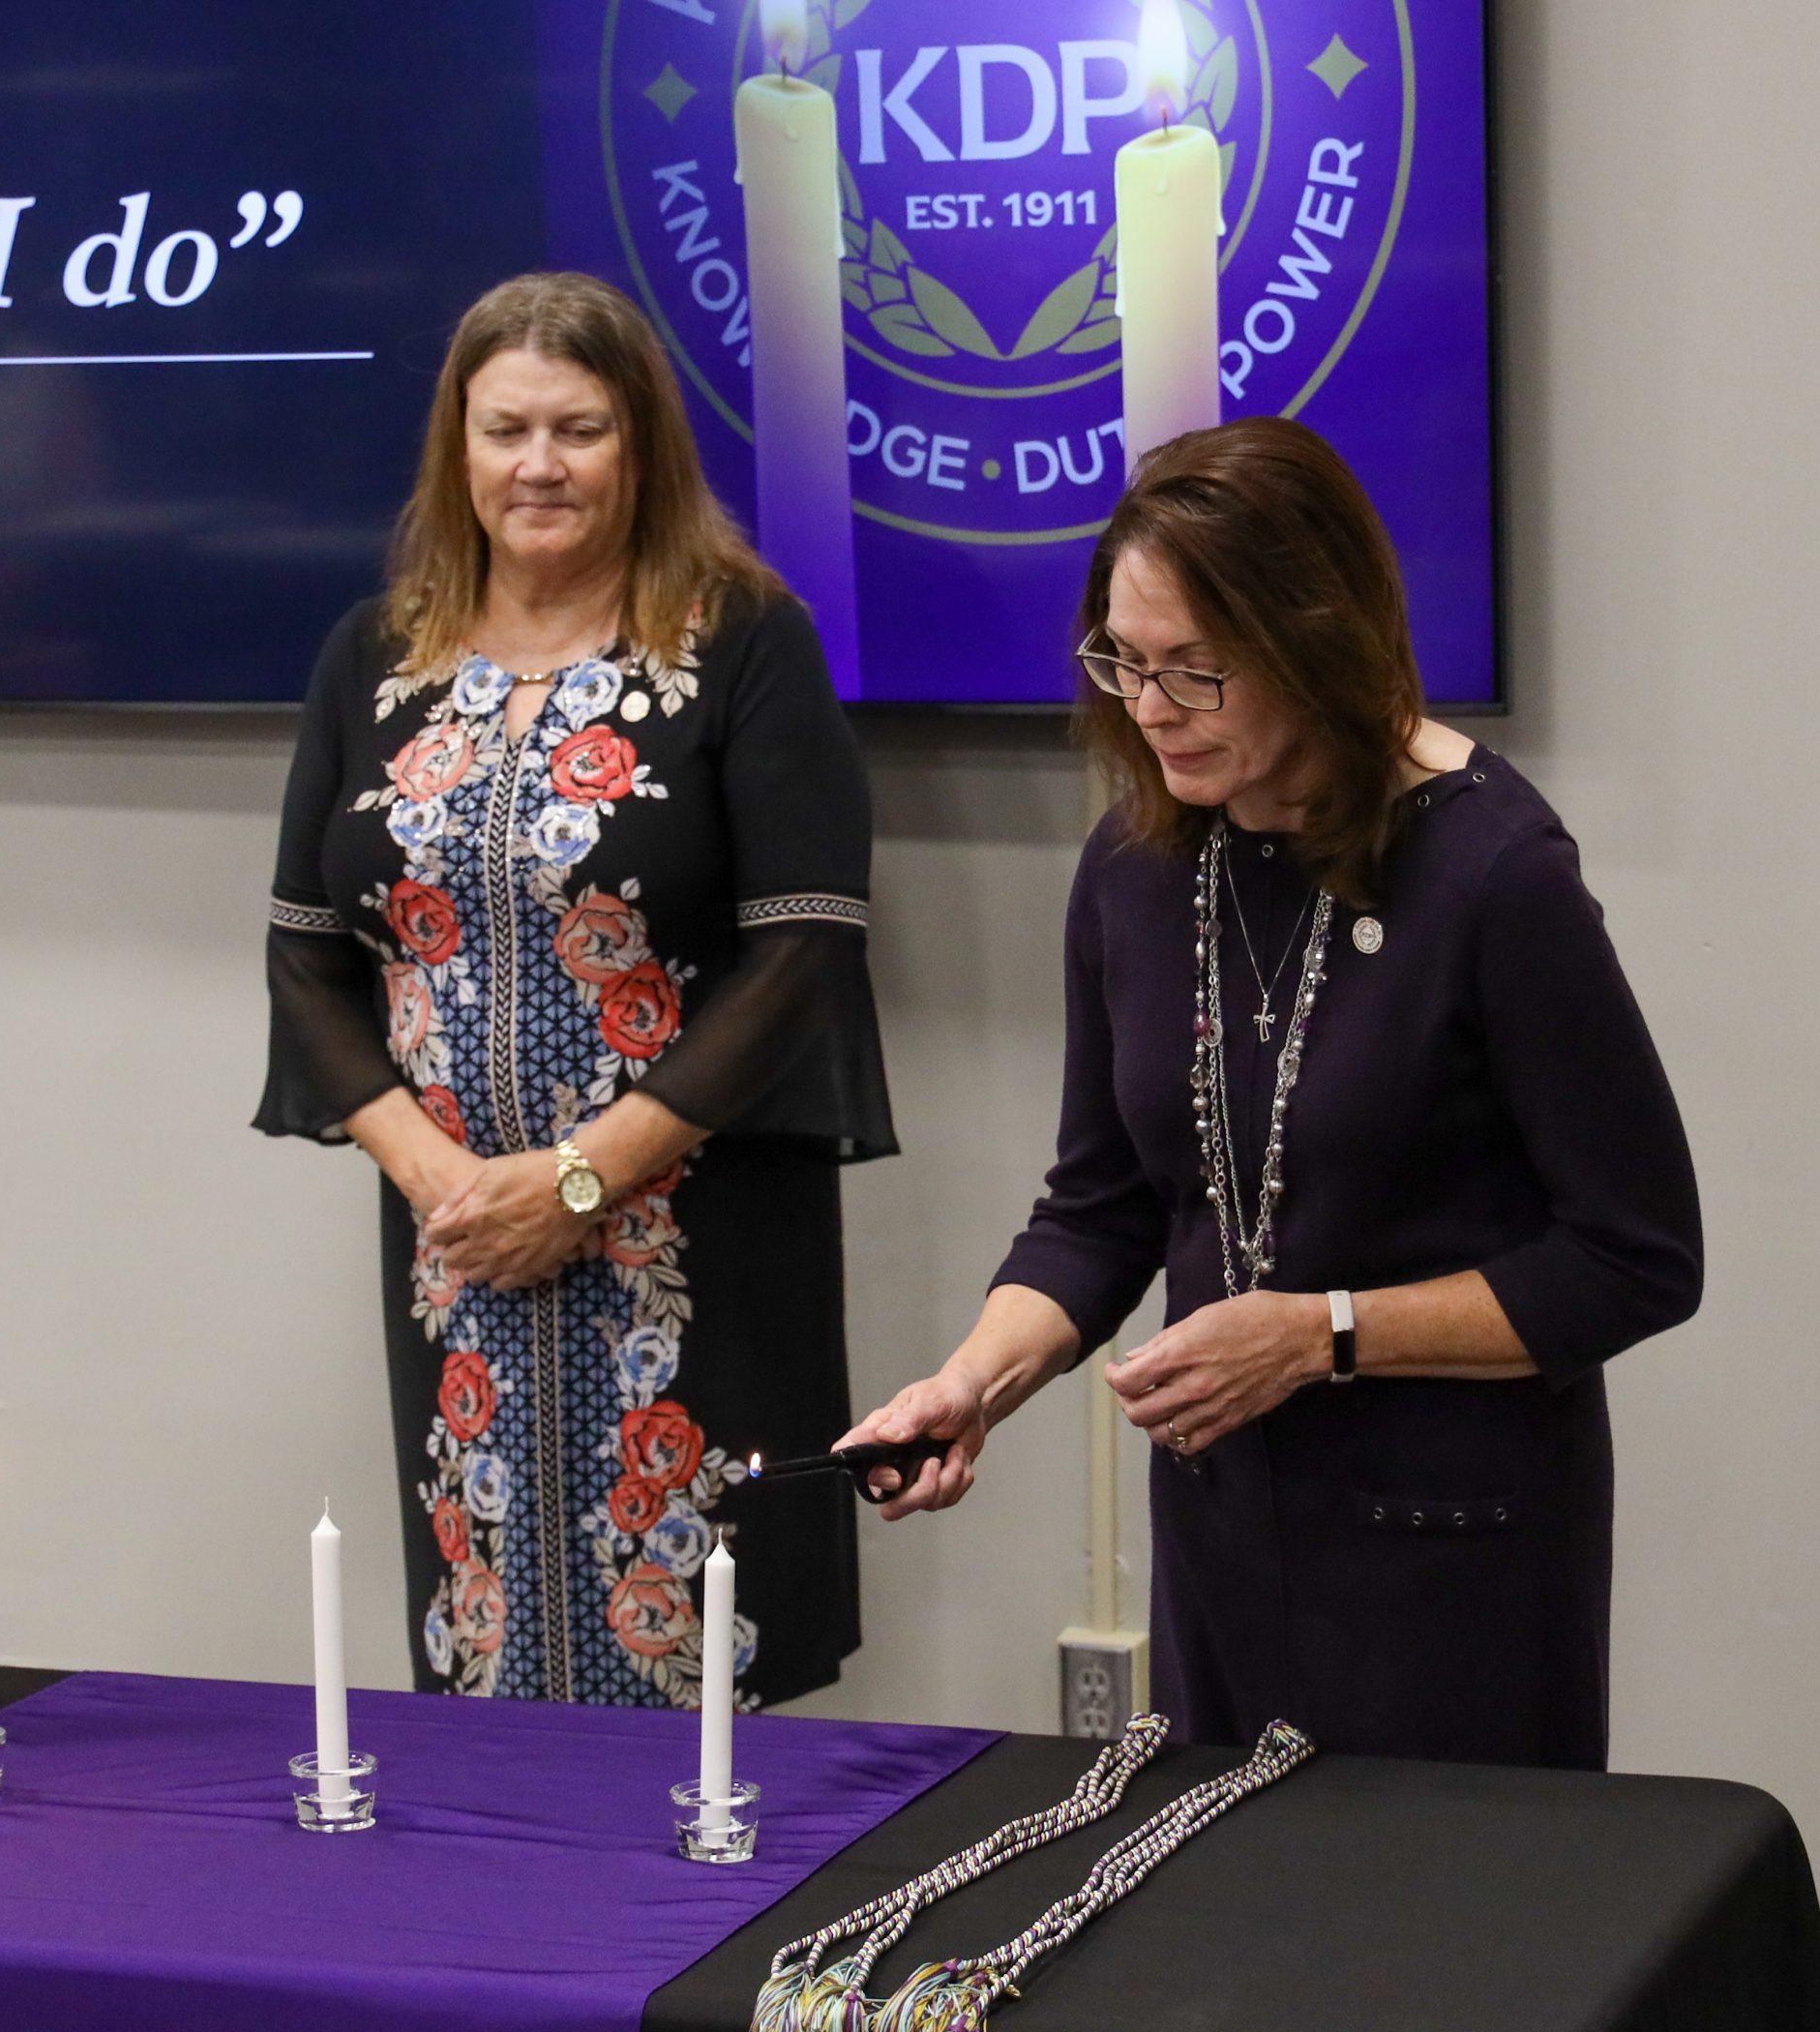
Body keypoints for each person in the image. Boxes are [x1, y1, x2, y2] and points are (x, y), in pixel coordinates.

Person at [848, 419, 1700, 1768]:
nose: (1151, 708)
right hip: (1227, 1548)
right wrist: (970, 1384)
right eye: (1124, 660)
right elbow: (1103, 1208)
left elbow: (1635, 1259)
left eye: (1199, 671)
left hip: (1455, 1564)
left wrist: (1323, 1333)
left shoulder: (1493, 874)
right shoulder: (1133, 873)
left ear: (1320, 644)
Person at [255, 272, 895, 1709]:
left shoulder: (744, 644)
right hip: (459, 1255)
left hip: (694, 1242)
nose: (538, 464)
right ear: (458, 450)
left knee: (710, 1668)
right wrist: (440, 1181)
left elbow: (804, 951)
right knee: (485, 1654)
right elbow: (307, 952)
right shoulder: (374, 655)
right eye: (506, 430)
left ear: (642, 446)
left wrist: (587, 1182)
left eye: (579, 429)